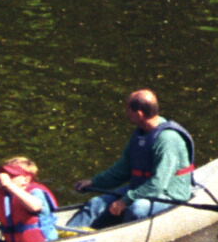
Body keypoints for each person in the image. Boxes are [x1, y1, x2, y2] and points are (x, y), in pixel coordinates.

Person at [68, 89, 197, 229]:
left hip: (169, 194)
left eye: (128, 109)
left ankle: (120, 238)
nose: (126, 113)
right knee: (95, 204)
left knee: (137, 209)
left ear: (139, 113)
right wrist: (94, 182)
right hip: (140, 189)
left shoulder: (167, 140)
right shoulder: (141, 134)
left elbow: (158, 185)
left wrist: (125, 201)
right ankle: (64, 237)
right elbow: (122, 170)